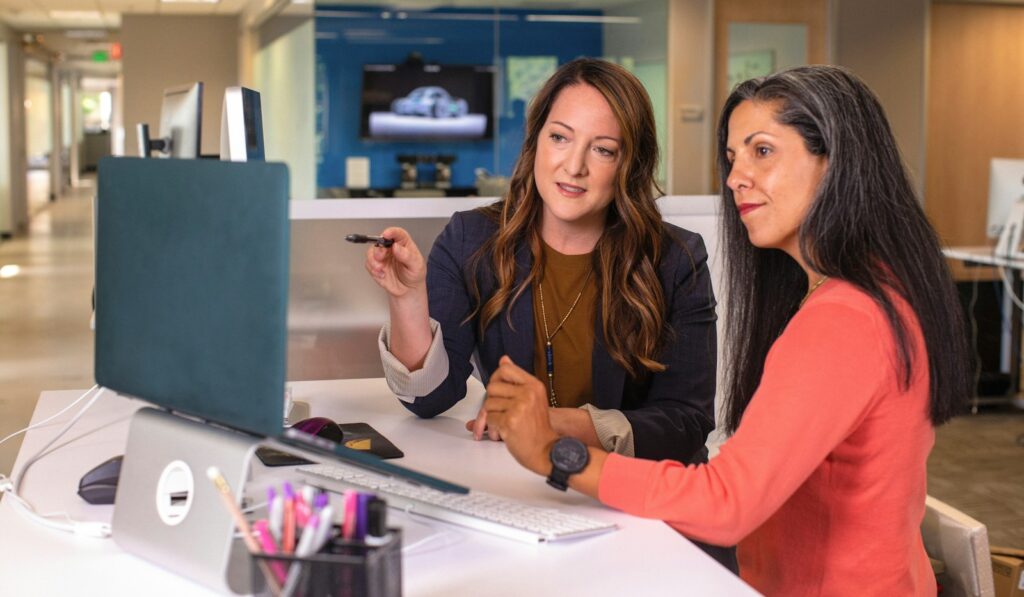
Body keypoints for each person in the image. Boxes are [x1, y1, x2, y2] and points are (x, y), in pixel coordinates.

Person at [481, 65, 971, 595]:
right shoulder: (881, 288)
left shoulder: (845, 319)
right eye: (733, 157)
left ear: (836, 162)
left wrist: (556, 454)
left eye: (762, 151)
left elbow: (726, 504)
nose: (736, 177)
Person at [364, 58, 735, 569]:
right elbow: (430, 398)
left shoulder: (675, 258)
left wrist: (552, 427)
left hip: (641, 511)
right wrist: (406, 297)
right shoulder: (472, 240)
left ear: (630, 164)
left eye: (602, 150)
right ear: (536, 140)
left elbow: (687, 422)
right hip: (526, 503)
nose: (573, 166)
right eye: (560, 138)